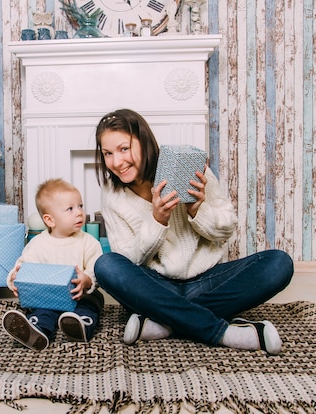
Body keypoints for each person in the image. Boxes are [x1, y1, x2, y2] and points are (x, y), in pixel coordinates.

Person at [92, 109, 293, 355]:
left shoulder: (186, 168)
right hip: (155, 286)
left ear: (144, 142)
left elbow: (226, 229)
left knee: (278, 263)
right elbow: (127, 260)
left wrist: (197, 210)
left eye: (124, 149)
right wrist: (157, 220)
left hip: (206, 280)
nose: (116, 162)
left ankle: (165, 322)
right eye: (108, 154)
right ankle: (223, 332)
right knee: (106, 266)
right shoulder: (112, 194)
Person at [3, 178, 104, 351]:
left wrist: (86, 280)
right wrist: (14, 277)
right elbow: (24, 267)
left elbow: (96, 268)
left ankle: (80, 327)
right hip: (48, 298)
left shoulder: (88, 242)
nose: (79, 213)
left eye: (80, 206)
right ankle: (37, 330)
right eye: (70, 209)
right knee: (42, 311)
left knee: (90, 304)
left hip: (79, 297)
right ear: (50, 220)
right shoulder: (37, 244)